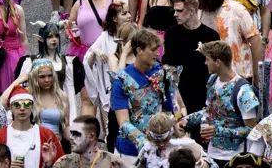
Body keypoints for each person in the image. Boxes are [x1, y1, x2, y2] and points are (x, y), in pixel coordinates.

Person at [111, 28, 178, 162]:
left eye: (158, 49)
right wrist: (145, 144)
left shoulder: (163, 74)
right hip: (129, 151)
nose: (157, 53)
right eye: (153, 50)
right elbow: (123, 122)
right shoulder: (122, 79)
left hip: (159, 148)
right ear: (139, 50)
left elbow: (167, 111)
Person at [193, 39, 260, 165]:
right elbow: (209, 111)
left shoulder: (244, 92)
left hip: (236, 158)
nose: (205, 63)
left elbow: (251, 130)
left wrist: (217, 131)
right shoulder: (212, 80)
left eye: (207, 59)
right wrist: (186, 120)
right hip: (212, 155)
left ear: (218, 62)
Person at [0, 88, 61, 168]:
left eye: (27, 104)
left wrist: (49, 164)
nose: (22, 108)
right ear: (10, 108)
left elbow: (62, 163)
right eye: (17, 105)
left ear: (32, 107)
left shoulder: (47, 135)